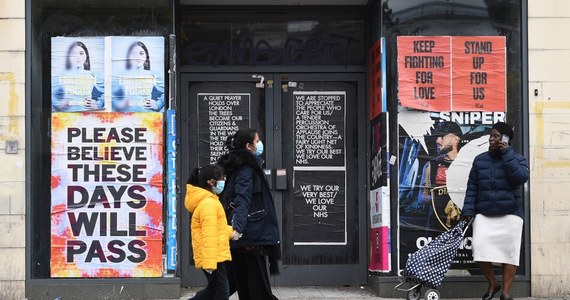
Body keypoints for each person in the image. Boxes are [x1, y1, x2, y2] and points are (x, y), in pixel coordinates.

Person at [461, 122, 529, 300]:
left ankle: (505, 293)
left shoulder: (518, 158)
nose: (491, 139)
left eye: (496, 136)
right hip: (485, 212)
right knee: (479, 249)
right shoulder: (480, 160)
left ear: (505, 139)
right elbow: (472, 187)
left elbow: (520, 178)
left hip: (511, 213)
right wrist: (468, 210)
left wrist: (506, 154)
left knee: (509, 253)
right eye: (490, 135)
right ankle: (493, 283)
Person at [217, 128, 280, 300]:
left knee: (241, 285)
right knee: (259, 290)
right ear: (249, 146)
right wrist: (237, 228)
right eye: (257, 141)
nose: (260, 144)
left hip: (244, 237)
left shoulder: (239, 166)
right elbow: (242, 200)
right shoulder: (246, 169)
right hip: (250, 236)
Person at [185, 164, 235, 300]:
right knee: (222, 292)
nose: (224, 181)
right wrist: (209, 263)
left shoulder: (209, 201)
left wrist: (232, 232)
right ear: (211, 182)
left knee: (214, 290)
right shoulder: (209, 204)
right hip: (213, 256)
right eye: (222, 178)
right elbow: (209, 235)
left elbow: (215, 228)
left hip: (214, 254)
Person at [419, 121, 463, 230]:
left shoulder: (467, 165)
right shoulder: (431, 166)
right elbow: (422, 198)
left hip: (462, 228)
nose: (438, 141)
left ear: (455, 139)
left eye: (442, 136)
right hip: (435, 228)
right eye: (437, 137)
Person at [112, 40, 165, 112]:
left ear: (146, 56)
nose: (137, 57)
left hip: (147, 117)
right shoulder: (120, 75)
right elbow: (109, 94)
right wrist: (118, 105)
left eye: (141, 53)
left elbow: (168, 90)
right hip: (125, 117)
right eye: (133, 54)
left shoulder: (153, 74)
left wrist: (158, 104)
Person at [52, 41, 104, 112]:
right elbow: (49, 94)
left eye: (81, 53)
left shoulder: (94, 74)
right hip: (65, 117)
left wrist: (98, 104)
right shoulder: (60, 74)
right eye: (73, 54)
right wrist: (58, 105)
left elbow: (109, 92)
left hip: (87, 115)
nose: (77, 57)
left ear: (86, 55)